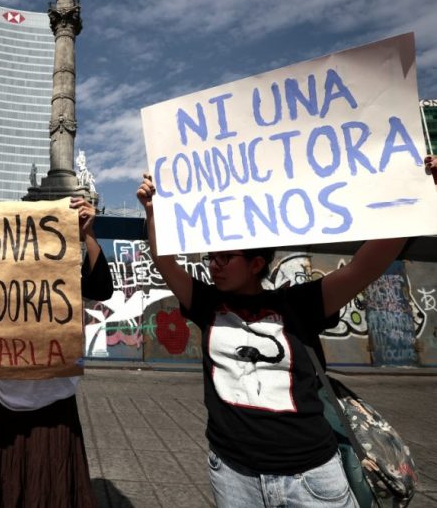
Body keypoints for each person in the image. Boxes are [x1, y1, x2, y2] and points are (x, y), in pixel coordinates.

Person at [135, 169, 432, 508]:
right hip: (233, 474)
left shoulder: (300, 303)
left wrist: (421, 195)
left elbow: (363, 267)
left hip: (311, 477)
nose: (214, 265)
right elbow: (165, 261)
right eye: (211, 258)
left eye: (225, 258)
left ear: (256, 263)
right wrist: (152, 211)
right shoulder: (206, 303)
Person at [0, 197, 113, 508]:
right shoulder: (3, 286)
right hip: (5, 404)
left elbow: (101, 288)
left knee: (49, 487)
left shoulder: (65, 279)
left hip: (54, 407)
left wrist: (88, 234)